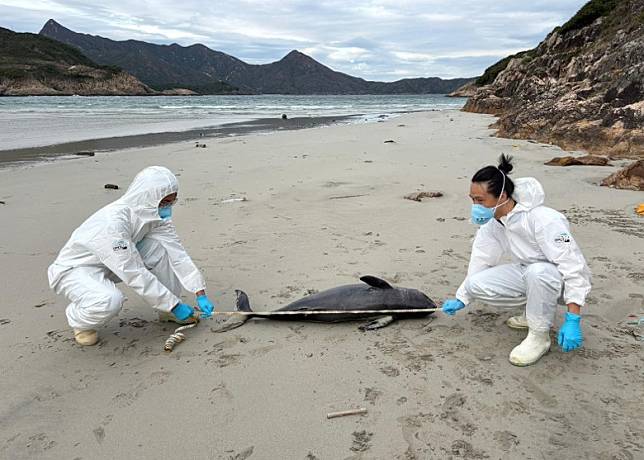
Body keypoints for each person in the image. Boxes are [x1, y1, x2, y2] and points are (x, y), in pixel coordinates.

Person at [441, 154, 591, 366]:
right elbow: (482, 259)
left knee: (538, 272)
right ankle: (532, 313)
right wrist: (462, 297)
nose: (475, 205)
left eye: (480, 200)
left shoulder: (544, 219)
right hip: (529, 272)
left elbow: (574, 266)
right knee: (476, 284)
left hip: (560, 282)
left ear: (502, 195)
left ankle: (539, 336)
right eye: (473, 199)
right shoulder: (494, 222)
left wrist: (573, 317)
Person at [48, 166, 216, 346]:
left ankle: (167, 311)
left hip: (116, 262)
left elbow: (177, 253)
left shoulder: (156, 217)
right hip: (78, 268)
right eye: (165, 202)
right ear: (148, 197)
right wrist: (175, 305)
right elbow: (132, 271)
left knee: (160, 248)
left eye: (171, 202)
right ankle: (81, 322)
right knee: (109, 300)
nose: (167, 207)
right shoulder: (113, 222)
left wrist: (200, 292)